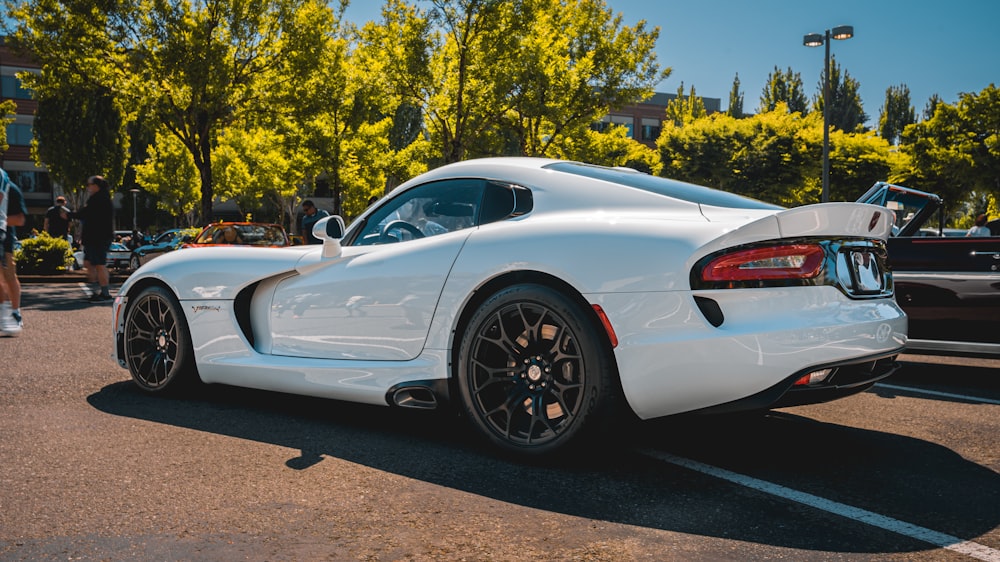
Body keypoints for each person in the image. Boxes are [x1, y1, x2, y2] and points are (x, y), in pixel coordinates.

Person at [66, 176, 115, 302]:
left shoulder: (99, 199)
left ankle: (105, 293)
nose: (87, 187)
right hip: (94, 237)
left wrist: (69, 215)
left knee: (99, 264)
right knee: (89, 263)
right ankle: (95, 291)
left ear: (96, 185)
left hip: (98, 237)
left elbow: (85, 214)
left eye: (89, 184)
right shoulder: (100, 198)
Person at [0, 168, 27, 336]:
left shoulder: (12, 188)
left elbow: (20, 219)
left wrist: (2, 219)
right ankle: (4, 310)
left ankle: (15, 312)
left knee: (8, 276)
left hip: (5, 240)